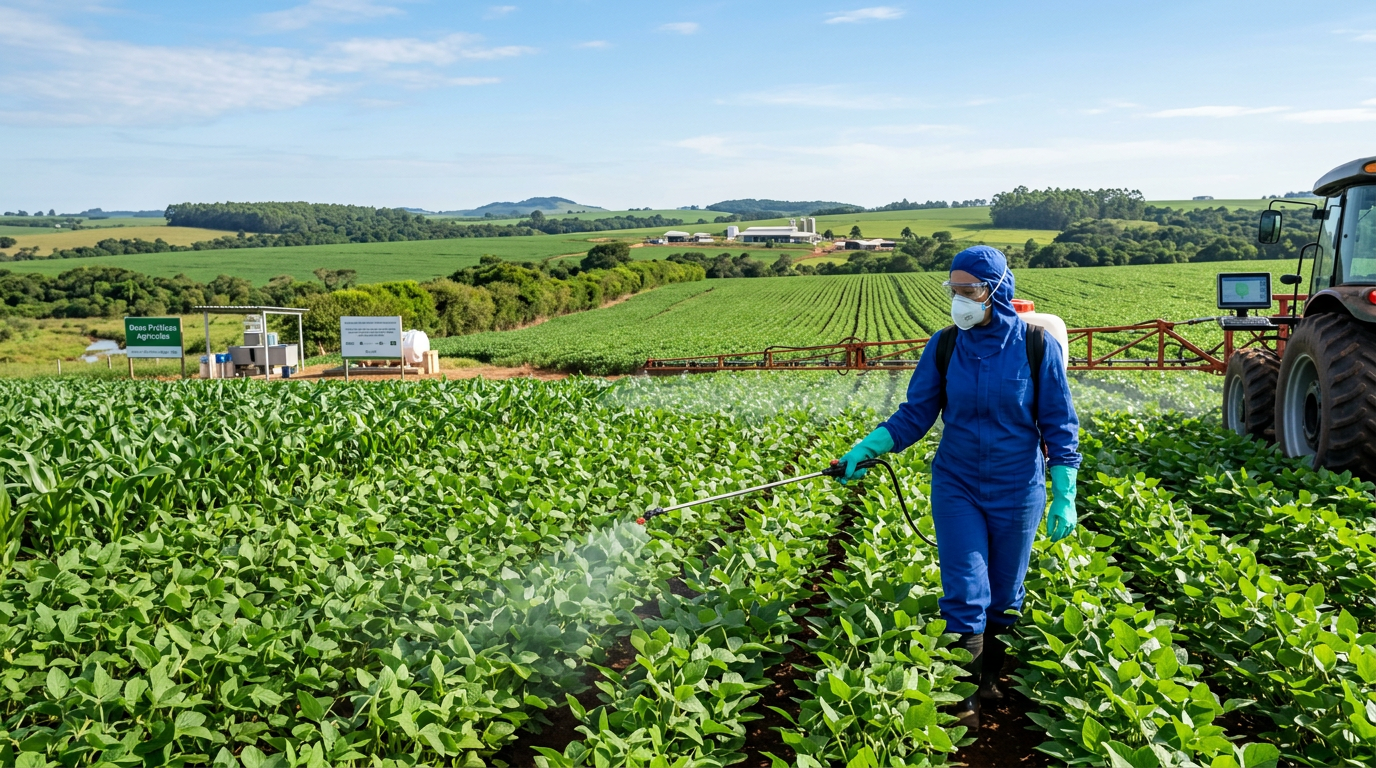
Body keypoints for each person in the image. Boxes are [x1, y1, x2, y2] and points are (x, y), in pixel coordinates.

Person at [834, 245, 1081, 736]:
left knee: (1005, 597)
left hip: (1018, 486)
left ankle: (989, 679)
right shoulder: (945, 345)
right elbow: (916, 412)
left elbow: (1059, 425)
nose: (960, 301)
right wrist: (869, 447)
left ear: (996, 290)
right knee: (966, 593)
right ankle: (961, 698)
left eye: (968, 291)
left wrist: (1065, 492)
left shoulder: (1036, 346)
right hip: (958, 483)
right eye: (954, 291)